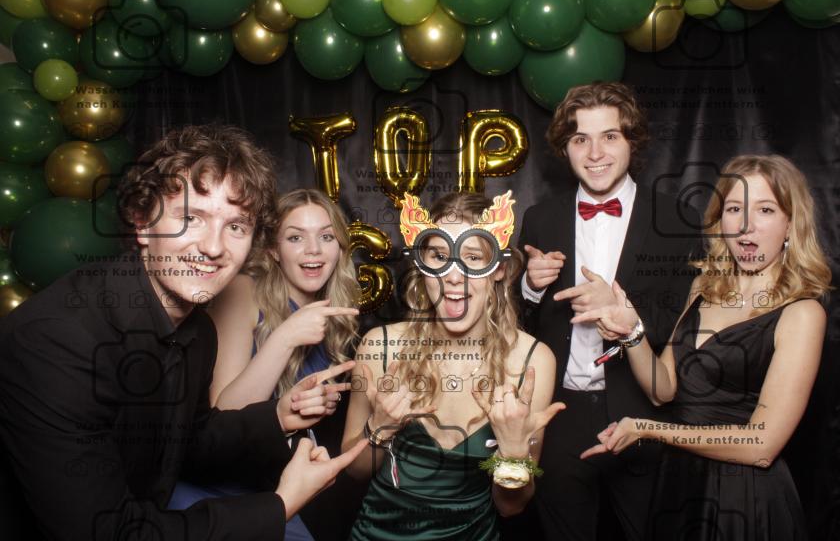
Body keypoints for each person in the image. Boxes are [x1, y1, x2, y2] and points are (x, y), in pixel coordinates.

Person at [0, 124, 366, 540]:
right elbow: (109, 533)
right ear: (142, 222)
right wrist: (281, 504)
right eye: (191, 218)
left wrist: (278, 418)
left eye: (236, 226)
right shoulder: (56, 341)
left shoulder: (196, 330)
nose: (213, 247)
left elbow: (188, 443)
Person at [574, 154, 832, 540]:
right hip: (678, 486)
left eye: (765, 209)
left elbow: (761, 446)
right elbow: (663, 390)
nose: (745, 224)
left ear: (790, 224)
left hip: (743, 498)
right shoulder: (703, 289)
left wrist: (651, 430)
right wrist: (632, 332)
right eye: (734, 208)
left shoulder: (802, 313)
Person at [517, 81, 702, 541]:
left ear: (631, 142)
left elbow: (687, 322)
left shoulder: (677, 219)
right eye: (581, 138)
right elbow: (519, 328)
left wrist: (623, 312)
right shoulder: (540, 218)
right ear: (565, 147)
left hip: (642, 412)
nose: (595, 152)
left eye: (610, 136)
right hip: (560, 413)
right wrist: (529, 287)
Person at [342, 191, 565, 540]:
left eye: (473, 257)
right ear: (423, 265)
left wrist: (513, 453)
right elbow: (354, 473)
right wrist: (380, 428)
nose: (454, 275)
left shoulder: (532, 361)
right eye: (440, 256)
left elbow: (511, 506)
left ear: (499, 269)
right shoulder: (381, 346)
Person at [169, 188, 362, 541]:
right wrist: (285, 337)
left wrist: (310, 405)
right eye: (295, 237)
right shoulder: (242, 290)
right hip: (214, 495)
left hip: (273, 490)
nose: (314, 249)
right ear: (273, 249)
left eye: (326, 236)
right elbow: (224, 416)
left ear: (340, 248)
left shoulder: (333, 318)